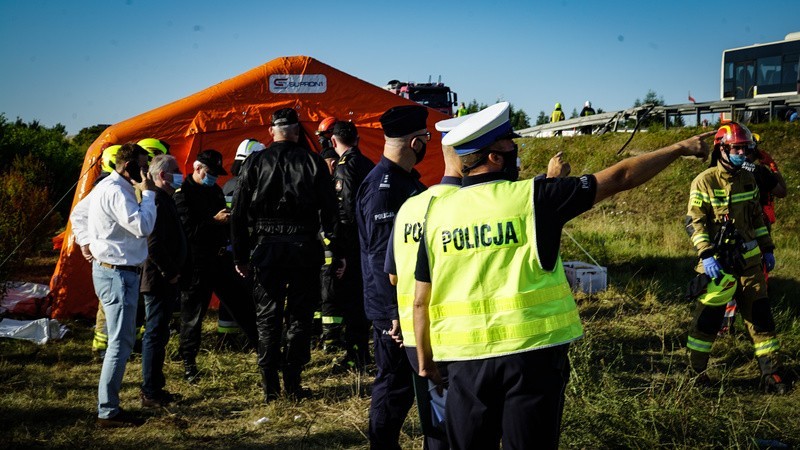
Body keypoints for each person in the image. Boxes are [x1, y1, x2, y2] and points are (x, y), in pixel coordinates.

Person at [413, 102, 711, 449]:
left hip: (464, 362)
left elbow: (421, 298)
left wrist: (425, 359)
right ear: (494, 158)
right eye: (511, 146)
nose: (516, 151)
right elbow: (621, 177)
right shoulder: (535, 197)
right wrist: (679, 148)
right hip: (531, 357)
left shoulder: (437, 214)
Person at [230, 107, 341, 401]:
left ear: (271, 132)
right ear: (296, 130)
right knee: (300, 317)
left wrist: (240, 256)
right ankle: (292, 382)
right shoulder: (313, 161)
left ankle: (271, 389)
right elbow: (331, 211)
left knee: (268, 318)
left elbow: (238, 214)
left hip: (266, 249)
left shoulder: (254, 162)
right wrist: (338, 251)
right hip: (304, 248)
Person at [384, 113, 469, 450]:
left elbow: (392, 274)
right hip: (461, 335)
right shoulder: (468, 207)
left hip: (414, 335)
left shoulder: (411, 206)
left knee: (435, 427)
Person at [683, 122, 787, 395]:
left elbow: (756, 218)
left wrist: (767, 248)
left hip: (750, 264)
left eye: (745, 147)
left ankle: (771, 374)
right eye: (736, 148)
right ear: (722, 149)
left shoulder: (749, 179)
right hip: (718, 266)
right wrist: (706, 254)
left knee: (761, 318)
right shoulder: (704, 181)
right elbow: (694, 222)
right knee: (707, 322)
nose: (742, 152)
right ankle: (696, 375)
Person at [356, 104, 430, 449]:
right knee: (395, 384)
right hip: (393, 310)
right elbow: (379, 258)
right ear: (416, 142)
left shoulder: (403, 182)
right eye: (426, 138)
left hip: (403, 305)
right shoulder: (385, 188)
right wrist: (393, 315)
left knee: (404, 384)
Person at [70, 143, 156, 427]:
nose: (146, 172)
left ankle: (109, 407)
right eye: (143, 166)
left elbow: (78, 215)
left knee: (120, 341)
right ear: (129, 166)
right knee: (119, 343)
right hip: (119, 274)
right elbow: (143, 227)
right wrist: (149, 194)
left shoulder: (104, 186)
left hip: (110, 270)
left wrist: (86, 242)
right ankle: (108, 411)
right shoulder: (119, 192)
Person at [174, 149, 258, 383]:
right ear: (197, 168)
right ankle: (189, 364)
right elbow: (188, 231)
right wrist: (214, 221)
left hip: (221, 260)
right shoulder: (183, 194)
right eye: (210, 173)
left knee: (243, 305)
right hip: (197, 264)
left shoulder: (215, 191)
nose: (213, 178)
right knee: (192, 317)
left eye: (216, 174)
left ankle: (264, 351)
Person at [718, 133, 787, 335]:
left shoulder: (724, 170)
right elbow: (782, 191)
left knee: (730, 272)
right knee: (756, 275)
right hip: (759, 228)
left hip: (732, 228)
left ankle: (725, 324)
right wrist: (773, 166)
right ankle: (758, 326)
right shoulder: (761, 171)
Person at [139, 154, 187, 408]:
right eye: (176, 171)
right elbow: (154, 243)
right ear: (162, 176)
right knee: (155, 335)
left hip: (166, 278)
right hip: (159, 279)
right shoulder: (156, 201)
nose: (180, 174)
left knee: (160, 334)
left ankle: (155, 387)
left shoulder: (165, 199)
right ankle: (150, 391)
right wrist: (170, 272)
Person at [328, 120, 375, 372]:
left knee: (352, 301)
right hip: (368, 240)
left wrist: (342, 251)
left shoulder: (345, 167)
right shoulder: (367, 163)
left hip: (353, 243)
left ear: (334, 142)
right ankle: (361, 352)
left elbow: (344, 212)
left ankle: (356, 355)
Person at [219, 139, 266, 347]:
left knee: (229, 294)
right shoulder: (253, 186)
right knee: (250, 294)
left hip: (229, 249)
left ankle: (226, 336)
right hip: (248, 248)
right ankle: (251, 337)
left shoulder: (227, 185)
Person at [91, 144, 122, 362]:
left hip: (112, 254)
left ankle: (109, 344)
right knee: (107, 305)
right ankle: (101, 346)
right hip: (108, 256)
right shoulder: (106, 186)